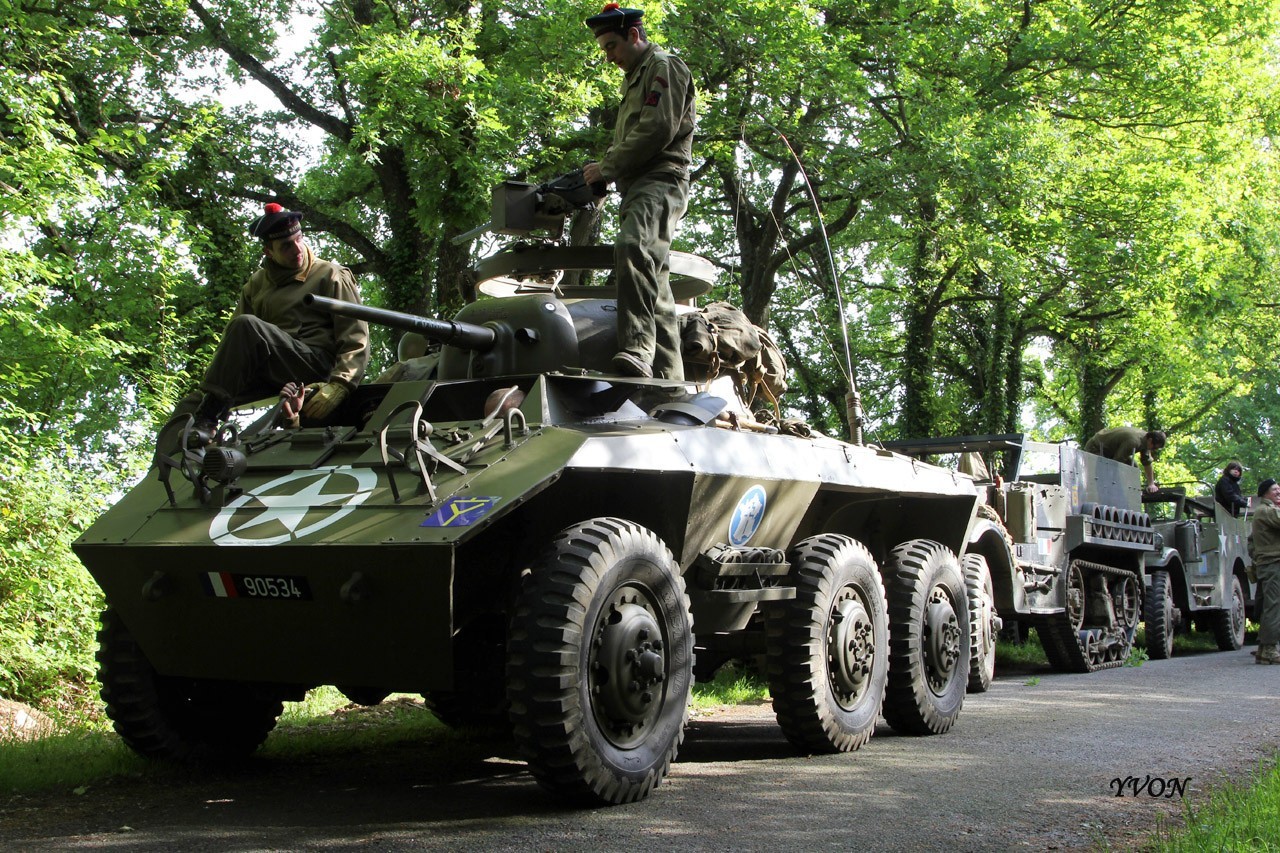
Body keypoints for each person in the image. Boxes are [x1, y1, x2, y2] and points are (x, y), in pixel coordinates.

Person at [183, 202, 370, 444]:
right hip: (271, 373)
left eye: (299, 239)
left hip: (313, 365)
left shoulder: (331, 275)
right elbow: (236, 345)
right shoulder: (256, 285)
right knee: (191, 405)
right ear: (268, 252)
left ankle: (208, 418)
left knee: (246, 326)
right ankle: (175, 468)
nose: (297, 249)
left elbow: (356, 337)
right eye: (286, 246)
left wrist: (341, 384)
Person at [581, 3, 695, 380]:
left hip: (661, 182)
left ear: (633, 35)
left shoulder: (664, 67)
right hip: (638, 188)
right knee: (657, 290)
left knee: (632, 246)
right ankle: (669, 385)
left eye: (612, 46)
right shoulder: (633, 80)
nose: (609, 56)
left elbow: (658, 128)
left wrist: (608, 168)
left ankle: (637, 349)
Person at [1249, 478, 1280, 664]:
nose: (1278, 492)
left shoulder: (1265, 511)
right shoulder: (1265, 511)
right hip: (1272, 564)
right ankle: (1269, 648)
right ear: (1265, 493)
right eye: (1275, 490)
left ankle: (1263, 649)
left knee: (1271, 605)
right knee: (1273, 607)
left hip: (1269, 564)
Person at [1084, 427, 1166, 493]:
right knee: (1105, 470)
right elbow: (1116, 463)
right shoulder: (1133, 442)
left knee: (1134, 468)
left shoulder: (1146, 441)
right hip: (1096, 447)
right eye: (1154, 447)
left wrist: (1151, 484)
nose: (1154, 450)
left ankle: (1133, 493)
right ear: (1150, 440)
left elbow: (1147, 462)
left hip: (1112, 450)